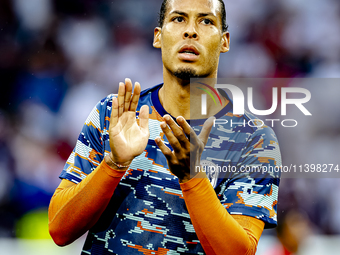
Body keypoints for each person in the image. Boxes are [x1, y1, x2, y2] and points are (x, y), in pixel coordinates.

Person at [48, 0, 281, 254]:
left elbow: (239, 252)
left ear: (224, 42)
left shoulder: (254, 140)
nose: (190, 31)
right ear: (158, 36)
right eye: (178, 19)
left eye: (206, 21)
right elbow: (60, 231)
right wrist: (113, 165)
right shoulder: (113, 116)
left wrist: (193, 179)